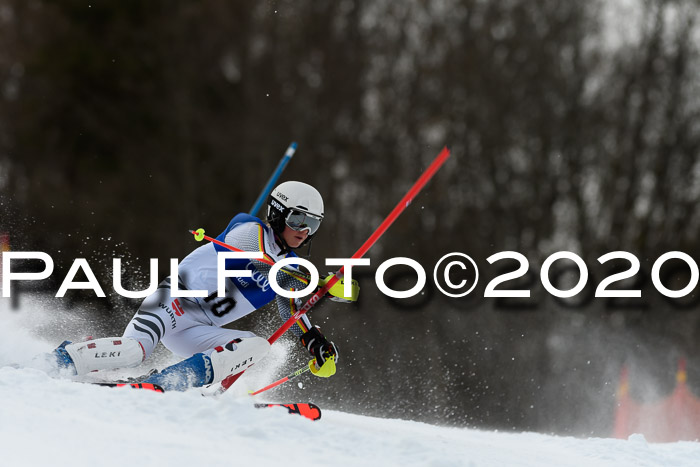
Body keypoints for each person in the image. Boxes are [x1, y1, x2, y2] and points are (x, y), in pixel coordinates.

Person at [51, 181, 340, 391]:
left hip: (196, 328)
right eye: (298, 219)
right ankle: (60, 359)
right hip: (173, 301)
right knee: (133, 352)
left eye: (312, 224)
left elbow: (292, 309)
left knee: (256, 345)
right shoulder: (248, 231)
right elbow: (264, 265)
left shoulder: (290, 268)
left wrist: (314, 341)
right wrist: (316, 281)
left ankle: (172, 382)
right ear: (278, 213)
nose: (304, 230)